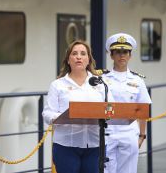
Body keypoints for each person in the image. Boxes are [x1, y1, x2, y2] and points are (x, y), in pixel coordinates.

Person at [42, 40, 113, 173]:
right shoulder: (57, 85)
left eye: (83, 54)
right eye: (74, 54)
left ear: (88, 60)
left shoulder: (101, 84)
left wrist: (103, 114)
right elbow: (47, 114)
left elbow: (111, 109)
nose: (78, 57)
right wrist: (66, 116)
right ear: (68, 60)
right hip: (66, 146)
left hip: (95, 146)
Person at [102, 33, 152, 173]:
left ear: (130, 55)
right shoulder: (102, 78)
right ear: (111, 55)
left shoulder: (138, 81)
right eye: (117, 52)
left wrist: (142, 135)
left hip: (129, 132)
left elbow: (143, 109)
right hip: (107, 132)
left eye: (125, 52)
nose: (121, 55)